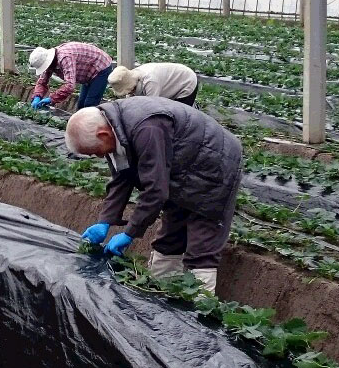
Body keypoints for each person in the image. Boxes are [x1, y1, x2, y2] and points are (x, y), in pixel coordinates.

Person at [66, 97, 243, 294]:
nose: (98, 156)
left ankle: (198, 311)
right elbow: (122, 177)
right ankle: (160, 296)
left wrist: (129, 233)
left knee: (202, 245)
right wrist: (105, 220)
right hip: (181, 168)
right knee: (169, 239)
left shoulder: (147, 128)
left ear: (103, 134)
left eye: (95, 152)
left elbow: (156, 190)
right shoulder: (115, 128)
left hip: (215, 166)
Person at [28, 42, 114, 110]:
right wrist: (37, 96)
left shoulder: (64, 58)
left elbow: (69, 86)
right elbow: (42, 82)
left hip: (101, 67)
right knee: (81, 105)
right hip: (87, 71)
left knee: (89, 105)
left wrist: (51, 98)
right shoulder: (50, 62)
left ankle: (91, 129)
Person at [108, 63, 199, 106]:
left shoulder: (150, 82)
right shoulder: (133, 77)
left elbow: (153, 107)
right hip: (168, 83)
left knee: (180, 114)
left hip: (185, 81)